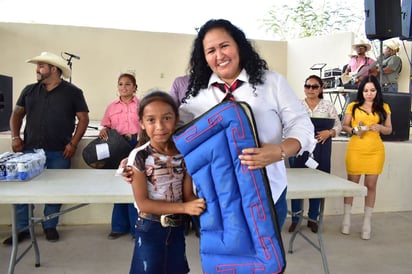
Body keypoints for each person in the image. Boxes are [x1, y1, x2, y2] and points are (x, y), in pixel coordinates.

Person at [178, 19, 316, 229]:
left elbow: (301, 124)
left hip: (267, 193)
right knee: (222, 260)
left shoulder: (272, 83)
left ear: (239, 46)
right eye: (211, 50)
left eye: (224, 46)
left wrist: (280, 151)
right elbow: (171, 134)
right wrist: (137, 157)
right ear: (204, 58)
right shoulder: (196, 97)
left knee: (266, 261)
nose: (219, 55)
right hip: (215, 199)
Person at [4, 51, 89, 244]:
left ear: (53, 69)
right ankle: (22, 229)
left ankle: (50, 226)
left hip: (60, 151)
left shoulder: (73, 92)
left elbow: (83, 119)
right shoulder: (29, 90)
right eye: (37, 66)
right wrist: (15, 136)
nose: (37, 69)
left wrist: (73, 143)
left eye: (41, 66)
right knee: (23, 191)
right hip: (29, 152)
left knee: (56, 191)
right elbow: (16, 115)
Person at [127, 91, 206, 274]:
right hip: (150, 228)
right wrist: (186, 208)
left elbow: (187, 195)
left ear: (176, 118)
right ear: (141, 123)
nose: (160, 126)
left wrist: (202, 207)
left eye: (167, 118)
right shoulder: (139, 156)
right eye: (151, 120)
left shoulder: (184, 153)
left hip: (177, 228)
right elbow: (143, 203)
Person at [288, 75, 342, 234]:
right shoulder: (296, 105)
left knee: (318, 184)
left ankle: (313, 219)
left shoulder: (328, 106)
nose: (310, 89)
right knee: (298, 184)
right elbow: (288, 125)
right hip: (300, 149)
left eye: (314, 86)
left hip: (322, 149)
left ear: (321, 88)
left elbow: (339, 126)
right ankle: (296, 219)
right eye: (307, 86)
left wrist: (329, 132)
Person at [341, 75, 392, 240]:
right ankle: (347, 219)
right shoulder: (353, 106)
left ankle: (366, 223)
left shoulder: (384, 107)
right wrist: (356, 130)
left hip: (375, 150)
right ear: (361, 91)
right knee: (352, 184)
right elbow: (345, 126)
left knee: (371, 185)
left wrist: (380, 128)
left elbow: (389, 130)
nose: (369, 94)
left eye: (372, 90)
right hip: (356, 149)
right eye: (365, 90)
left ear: (377, 91)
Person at [99, 72, 140, 239]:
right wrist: (104, 130)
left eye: (128, 84)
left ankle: (135, 229)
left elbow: (147, 125)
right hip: (117, 146)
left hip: (136, 144)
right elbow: (105, 126)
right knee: (118, 184)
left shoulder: (142, 105)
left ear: (135, 87)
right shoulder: (112, 107)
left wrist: (140, 145)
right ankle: (118, 226)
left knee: (133, 186)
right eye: (121, 84)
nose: (124, 87)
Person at [169, 74, 201, 237]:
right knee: (184, 182)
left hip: (207, 141)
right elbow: (171, 110)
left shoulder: (216, 83)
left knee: (202, 183)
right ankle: (187, 221)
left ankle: (200, 224)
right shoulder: (180, 82)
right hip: (184, 141)